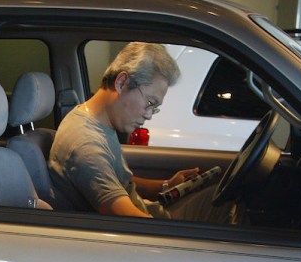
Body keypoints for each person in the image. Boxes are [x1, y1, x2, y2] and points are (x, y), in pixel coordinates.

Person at [49, 42, 230, 222]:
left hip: (152, 210)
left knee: (222, 197)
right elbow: (134, 223)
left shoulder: (97, 124)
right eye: (150, 103)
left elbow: (121, 182)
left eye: (154, 108)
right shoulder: (85, 143)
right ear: (122, 82)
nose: (149, 115)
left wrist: (167, 185)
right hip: (153, 229)